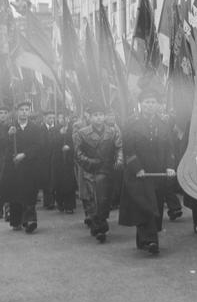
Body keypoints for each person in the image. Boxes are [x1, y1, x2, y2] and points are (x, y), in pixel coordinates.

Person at [119, 84, 177, 255]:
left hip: (158, 174)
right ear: (140, 104)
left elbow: (170, 149)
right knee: (147, 206)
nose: (150, 105)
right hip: (139, 174)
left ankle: (143, 238)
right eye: (146, 102)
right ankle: (151, 241)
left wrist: (170, 167)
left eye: (153, 102)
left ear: (158, 105)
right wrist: (137, 168)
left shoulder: (164, 124)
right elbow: (128, 150)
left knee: (156, 207)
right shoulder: (131, 124)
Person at [73, 103, 123, 243]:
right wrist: (89, 162)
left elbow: (119, 148)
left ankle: (101, 222)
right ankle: (99, 227)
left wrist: (119, 160)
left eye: (101, 115)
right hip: (90, 171)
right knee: (93, 199)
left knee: (105, 199)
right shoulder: (82, 133)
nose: (98, 118)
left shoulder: (112, 132)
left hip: (108, 170)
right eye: (95, 115)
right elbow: (77, 153)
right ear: (90, 117)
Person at [0, 101, 43, 233]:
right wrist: (9, 135)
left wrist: (25, 154)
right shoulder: (10, 127)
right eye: (22, 109)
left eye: (26, 109)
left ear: (29, 112)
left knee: (30, 192)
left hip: (29, 165)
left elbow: (39, 146)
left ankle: (30, 220)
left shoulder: (35, 128)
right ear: (17, 111)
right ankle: (16, 220)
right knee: (15, 194)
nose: (24, 112)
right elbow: (0, 145)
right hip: (14, 167)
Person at [52, 112, 77, 214]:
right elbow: (51, 143)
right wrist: (59, 135)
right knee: (59, 182)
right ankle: (60, 203)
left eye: (65, 117)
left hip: (69, 159)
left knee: (69, 183)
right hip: (58, 159)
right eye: (61, 117)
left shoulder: (72, 129)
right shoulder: (55, 129)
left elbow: (76, 141)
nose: (63, 119)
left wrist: (70, 147)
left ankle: (69, 205)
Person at [39, 111, 57, 210]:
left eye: (52, 118)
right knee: (46, 180)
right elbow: (41, 143)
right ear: (44, 118)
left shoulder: (55, 129)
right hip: (44, 158)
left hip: (54, 157)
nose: (51, 120)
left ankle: (52, 201)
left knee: (53, 178)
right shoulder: (41, 129)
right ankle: (48, 201)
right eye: (49, 118)